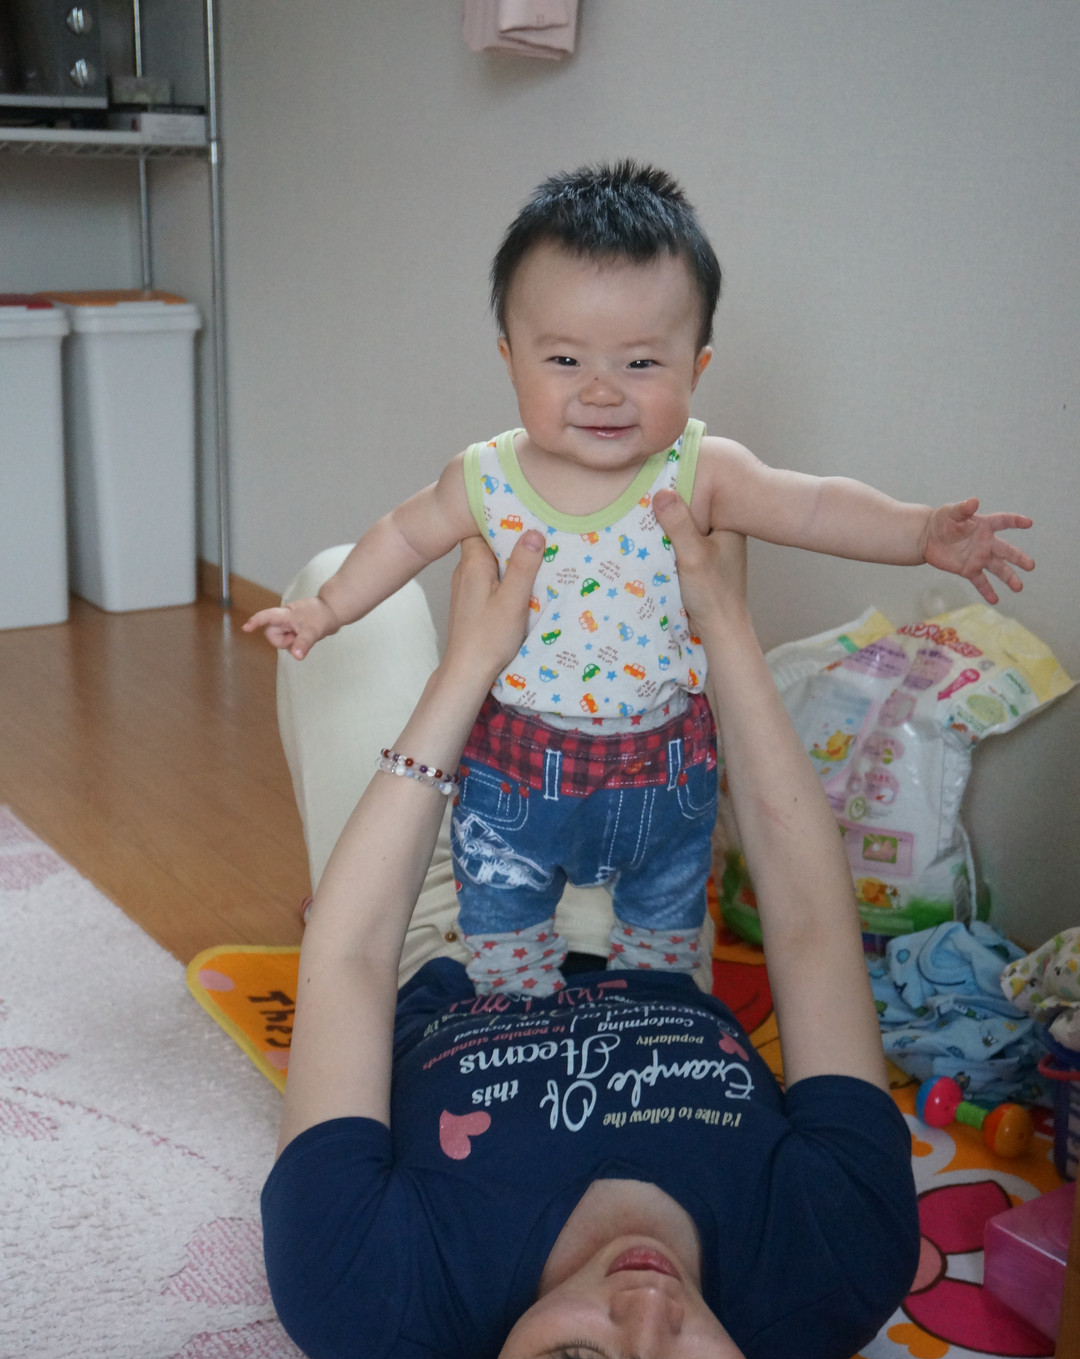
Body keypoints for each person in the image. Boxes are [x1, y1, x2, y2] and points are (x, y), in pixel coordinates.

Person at [261, 495, 922, 1359]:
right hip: (651, 923)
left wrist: (469, 670)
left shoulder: (360, 1289)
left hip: (435, 926)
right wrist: (726, 631)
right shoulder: (841, 1251)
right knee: (684, 523)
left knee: (342, 579)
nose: (650, 1308)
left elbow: (352, 957)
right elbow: (812, 927)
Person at [244, 161, 1034, 1000]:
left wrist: (918, 532)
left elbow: (810, 506)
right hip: (518, 771)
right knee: (503, 933)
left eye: (641, 363)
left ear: (697, 365)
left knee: (664, 941)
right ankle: (516, 1005)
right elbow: (402, 534)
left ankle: (656, 1005)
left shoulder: (700, 469)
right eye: (564, 358)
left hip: (665, 773)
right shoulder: (485, 477)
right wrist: (327, 607)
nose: (601, 390)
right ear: (510, 359)